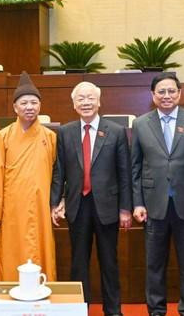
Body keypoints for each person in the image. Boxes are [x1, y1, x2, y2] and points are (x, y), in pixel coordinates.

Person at [132, 72, 184, 316]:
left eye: (171, 91)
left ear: (179, 94)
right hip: (153, 204)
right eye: (161, 91)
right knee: (154, 264)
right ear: (153, 95)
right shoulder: (140, 123)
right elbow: (135, 167)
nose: (166, 96)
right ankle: (156, 310)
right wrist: (137, 202)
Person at [50, 81, 131, 316]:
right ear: (74, 105)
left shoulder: (115, 131)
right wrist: (55, 202)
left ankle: (113, 310)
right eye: (80, 99)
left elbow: (124, 173)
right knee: (78, 263)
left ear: (99, 101)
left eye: (90, 98)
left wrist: (125, 208)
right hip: (78, 205)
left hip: (107, 206)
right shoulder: (65, 132)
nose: (86, 102)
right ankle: (78, 309)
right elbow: (59, 171)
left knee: (109, 262)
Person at [0, 71, 57, 281]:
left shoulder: (50, 137)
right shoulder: (4, 136)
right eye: (24, 103)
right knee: (10, 252)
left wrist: (56, 203)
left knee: (41, 249)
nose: (29, 107)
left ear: (40, 106)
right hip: (12, 209)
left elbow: (56, 174)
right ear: (15, 107)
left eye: (34, 102)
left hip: (40, 206)